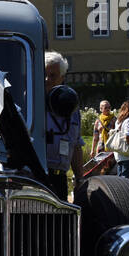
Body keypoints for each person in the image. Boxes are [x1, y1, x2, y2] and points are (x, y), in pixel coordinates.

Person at [43, 52, 81, 200]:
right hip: (35, 177)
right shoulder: (30, 104)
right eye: (44, 74)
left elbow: (77, 144)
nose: (47, 79)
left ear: (62, 78)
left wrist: (79, 178)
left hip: (59, 179)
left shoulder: (71, 107)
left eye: (53, 75)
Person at [111, 100, 129, 179]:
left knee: (120, 177)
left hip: (119, 152)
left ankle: (118, 191)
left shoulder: (118, 121)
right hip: (128, 153)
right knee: (126, 178)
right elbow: (128, 136)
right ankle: (125, 192)